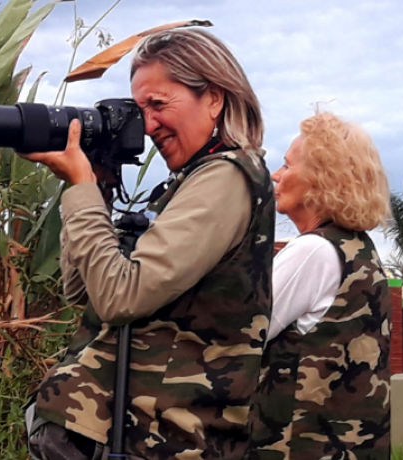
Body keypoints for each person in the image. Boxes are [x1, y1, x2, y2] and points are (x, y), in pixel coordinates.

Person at [20, 29, 276, 460]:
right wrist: (96, 186)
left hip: (158, 438)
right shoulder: (188, 183)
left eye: (159, 104)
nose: (149, 124)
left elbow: (122, 297)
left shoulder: (227, 176)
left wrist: (81, 186)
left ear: (214, 98)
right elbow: (83, 289)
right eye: (140, 111)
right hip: (128, 430)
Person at [247, 112, 392, 460]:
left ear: (319, 180)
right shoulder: (360, 251)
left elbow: (243, 333)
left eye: (286, 165)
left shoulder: (313, 251)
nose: (276, 176)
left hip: (299, 446)